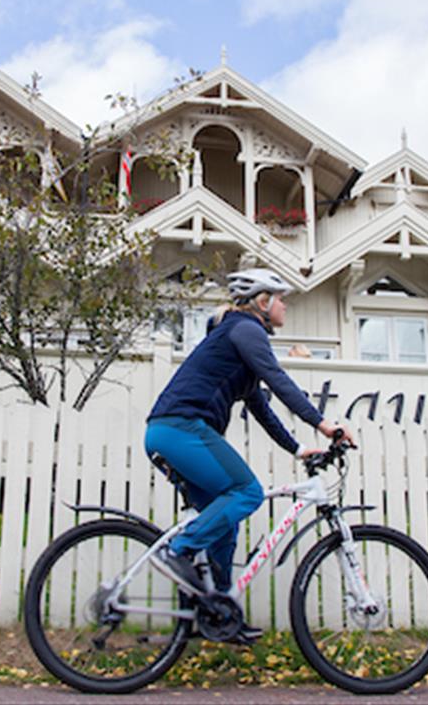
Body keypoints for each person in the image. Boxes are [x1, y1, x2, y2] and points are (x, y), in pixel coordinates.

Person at [144, 267, 355, 636]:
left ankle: (217, 614)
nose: (285, 306)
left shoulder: (235, 345)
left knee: (223, 524)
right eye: (281, 298)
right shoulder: (246, 330)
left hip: (170, 431)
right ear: (262, 301)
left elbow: (261, 407)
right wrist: (323, 423)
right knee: (247, 492)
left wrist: (299, 448)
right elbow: (279, 379)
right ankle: (177, 551)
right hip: (183, 429)